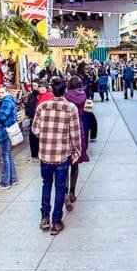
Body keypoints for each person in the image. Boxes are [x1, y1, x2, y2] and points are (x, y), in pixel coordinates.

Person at [31, 78, 82, 235]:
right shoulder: (70, 108)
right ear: (65, 90)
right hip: (62, 154)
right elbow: (75, 133)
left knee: (46, 184)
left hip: (45, 154)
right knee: (60, 188)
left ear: (52, 90)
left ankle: (44, 218)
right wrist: (76, 151)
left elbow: (35, 129)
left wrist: (46, 137)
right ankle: (56, 222)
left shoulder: (42, 106)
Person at [64, 75, 90, 212]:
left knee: (65, 162)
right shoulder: (83, 95)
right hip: (78, 126)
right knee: (75, 162)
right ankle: (72, 191)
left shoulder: (66, 95)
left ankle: (65, 193)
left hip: (66, 126)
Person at [24, 82, 46, 162]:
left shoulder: (40, 96)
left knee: (38, 136)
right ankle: (34, 154)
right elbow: (28, 105)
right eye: (32, 86)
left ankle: (39, 153)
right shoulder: (31, 96)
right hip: (32, 118)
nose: (34, 87)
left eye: (35, 86)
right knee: (32, 136)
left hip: (39, 119)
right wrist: (28, 114)